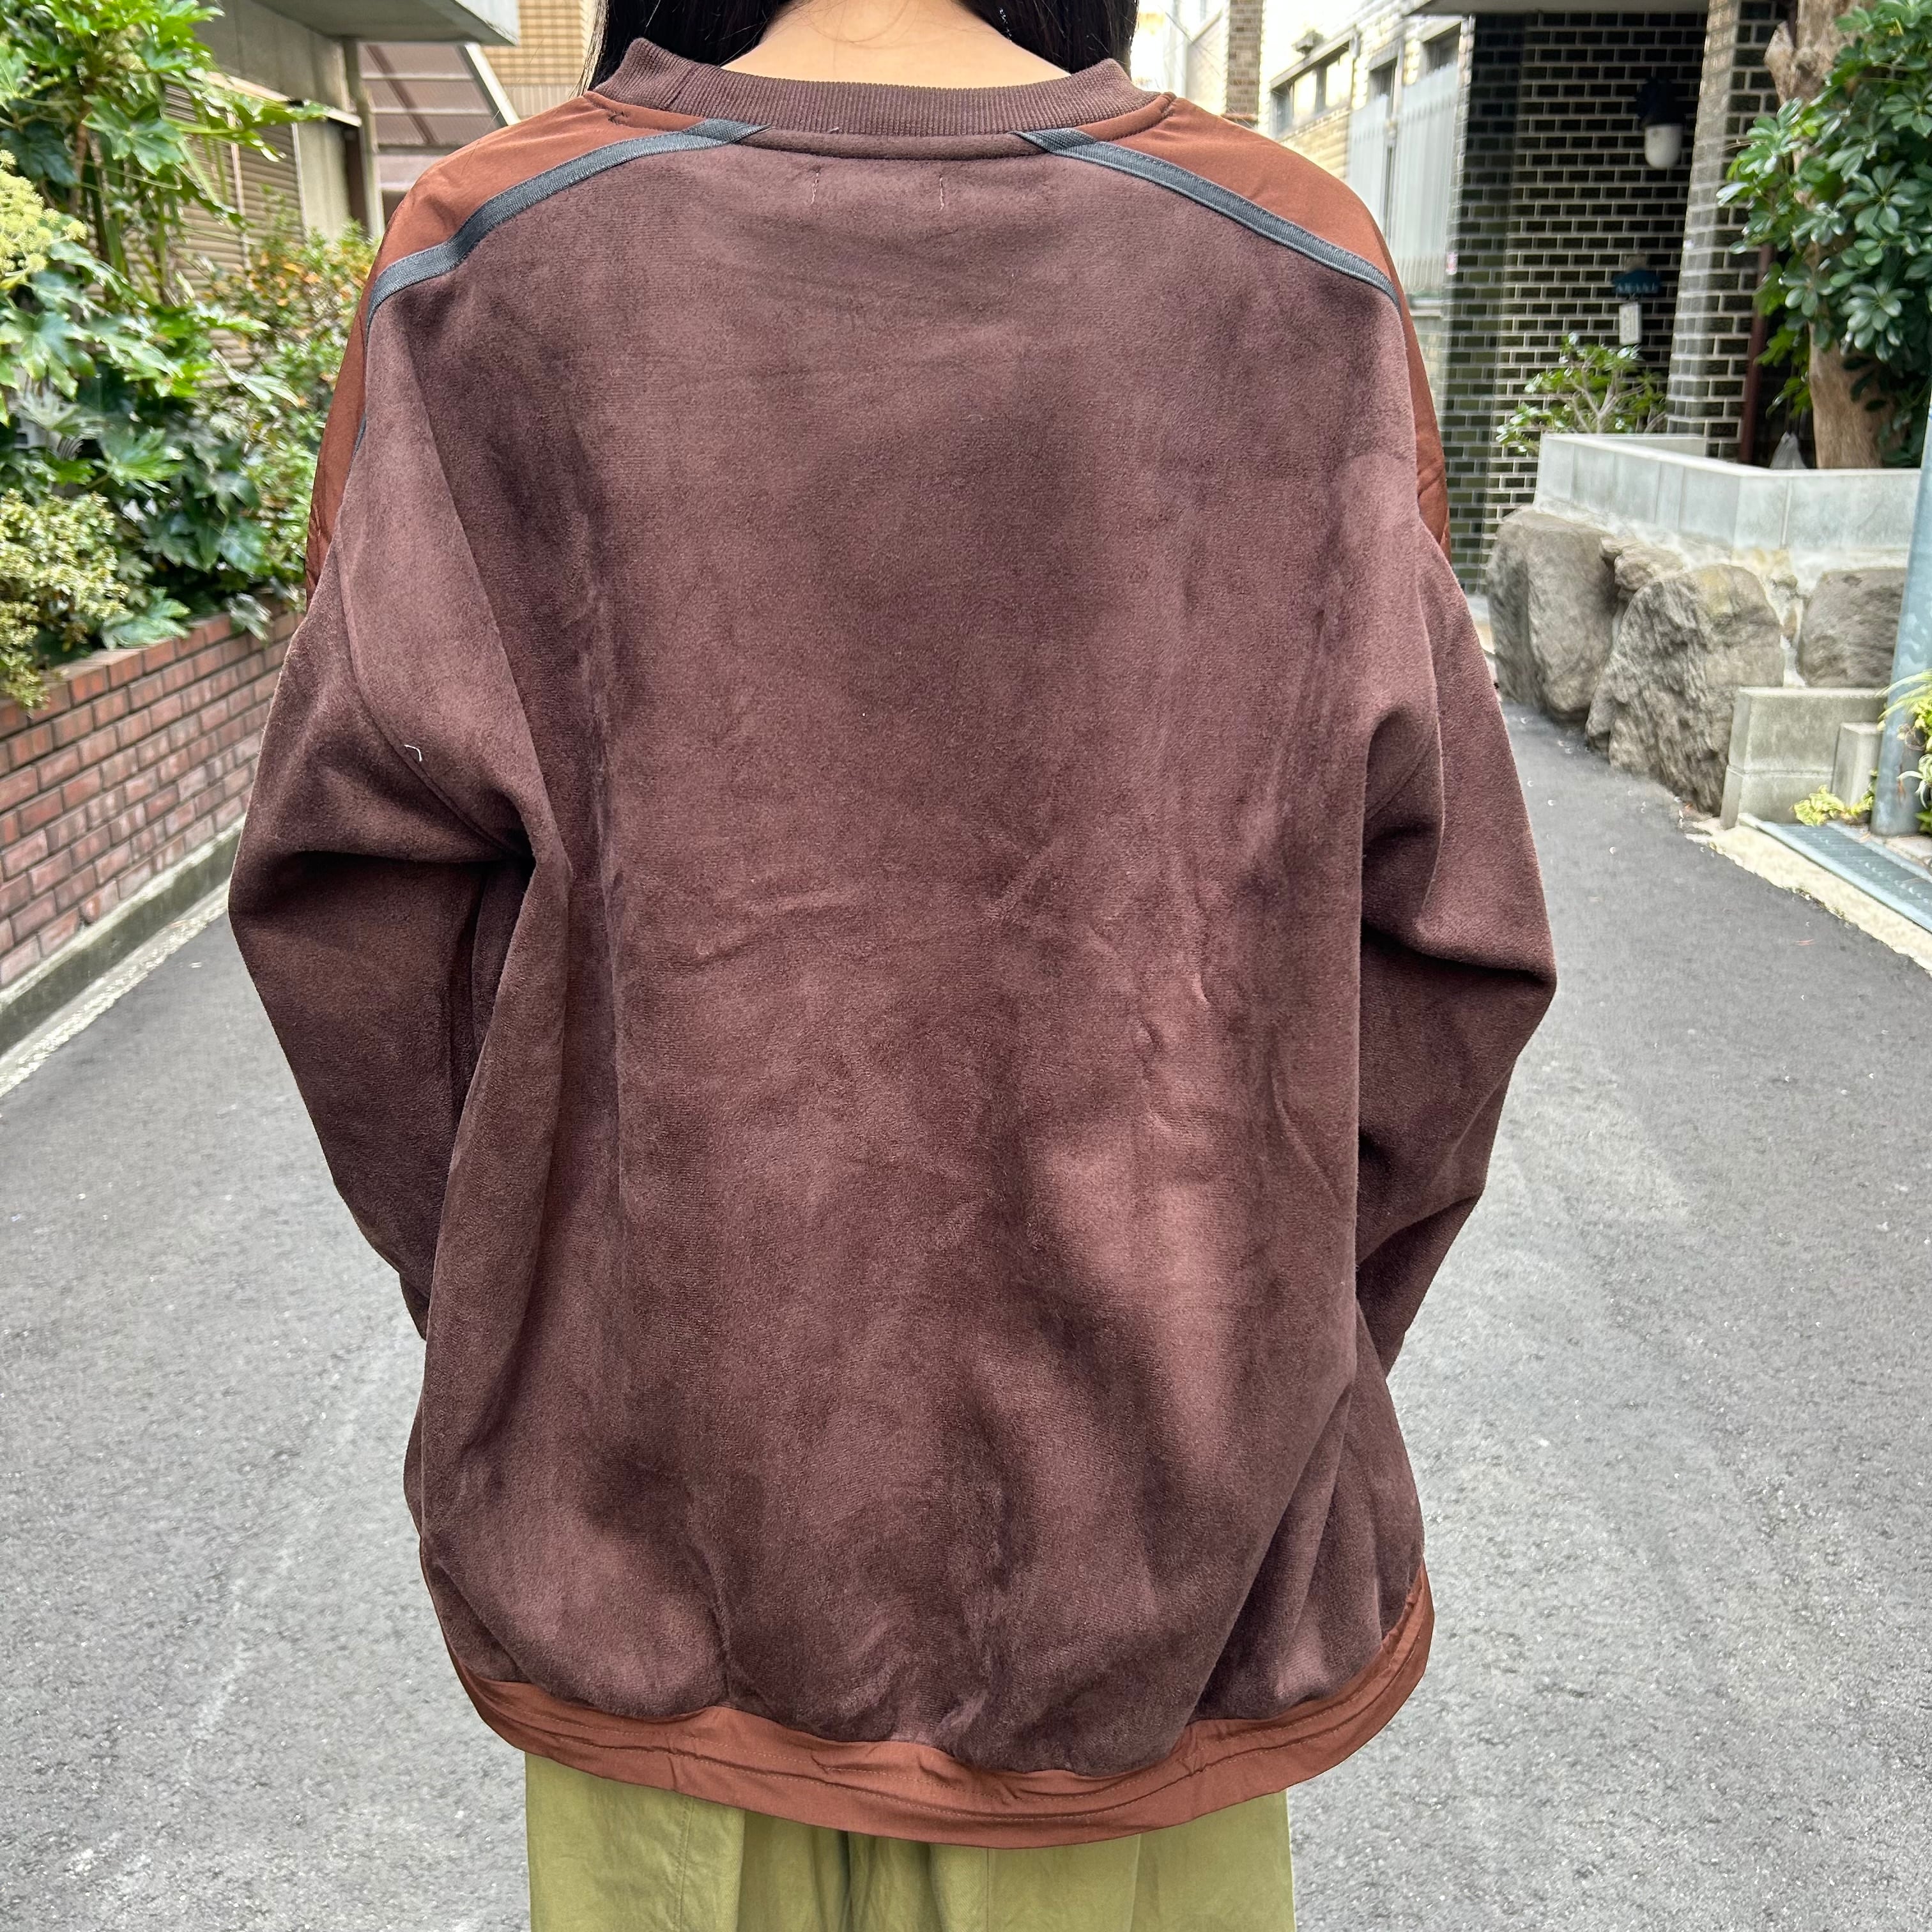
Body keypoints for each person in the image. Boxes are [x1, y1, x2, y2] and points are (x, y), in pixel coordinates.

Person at [227, 0, 1558, 1921]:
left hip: (658, 1552)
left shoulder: (485, 263)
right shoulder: (1299, 273)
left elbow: (360, 929)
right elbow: (1448, 961)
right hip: (1152, 1595)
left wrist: (544, 1328)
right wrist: (1261, 1346)